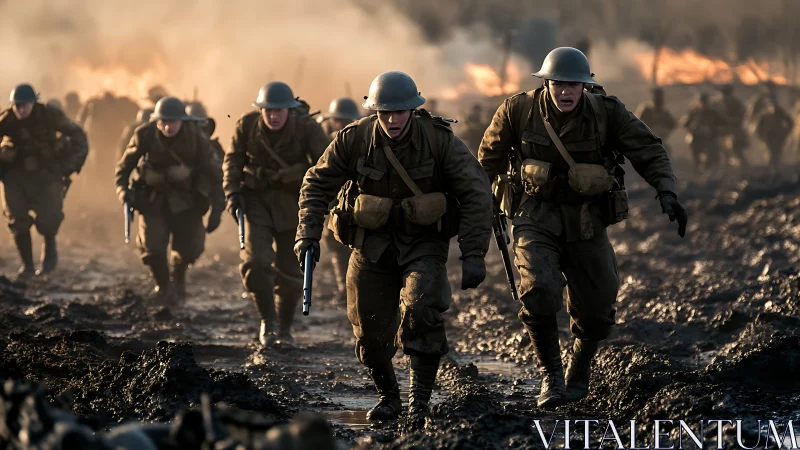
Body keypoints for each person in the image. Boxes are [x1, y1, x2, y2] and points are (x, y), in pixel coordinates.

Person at [478, 47, 687, 408]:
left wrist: (666, 192)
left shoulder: (607, 113)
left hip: (587, 221)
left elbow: (648, 150)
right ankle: (551, 376)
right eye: (558, 83)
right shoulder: (518, 110)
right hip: (534, 217)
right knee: (539, 291)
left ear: (585, 86)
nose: (565, 91)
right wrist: (483, 207)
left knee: (598, 311)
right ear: (546, 83)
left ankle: (579, 370)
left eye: (573, 84)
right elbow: (486, 161)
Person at [294, 71, 492, 424]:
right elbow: (317, 183)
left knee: (421, 310)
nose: (392, 120)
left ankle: (418, 403)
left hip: (424, 244)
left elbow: (476, 191)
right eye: (385, 112)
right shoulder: (354, 139)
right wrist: (307, 233)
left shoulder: (439, 141)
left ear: (413, 110)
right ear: (375, 111)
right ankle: (389, 396)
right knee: (368, 334)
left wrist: (473, 251)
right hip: (370, 247)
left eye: (399, 112)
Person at [223, 82, 330, 347]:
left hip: (294, 204)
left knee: (292, 270)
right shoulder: (247, 126)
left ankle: (284, 329)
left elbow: (327, 165)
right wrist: (232, 193)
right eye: (268, 110)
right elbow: (233, 161)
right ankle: (268, 322)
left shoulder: (307, 128)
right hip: (256, 202)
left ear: (290, 110)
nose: (273, 116)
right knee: (256, 262)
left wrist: (321, 200)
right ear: (261, 110)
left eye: (279, 110)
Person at [115, 97, 224, 303]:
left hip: (187, 201)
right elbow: (124, 167)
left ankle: (178, 276)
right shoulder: (145, 135)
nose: (168, 126)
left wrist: (218, 209)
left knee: (190, 248)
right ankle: (163, 286)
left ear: (182, 120)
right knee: (152, 246)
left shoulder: (196, 137)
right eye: (163, 121)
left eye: (173, 121)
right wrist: (123, 191)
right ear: (156, 121)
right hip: (153, 201)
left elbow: (215, 174)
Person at [0, 84, 88, 279]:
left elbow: (79, 137)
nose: (21, 110)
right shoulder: (6, 120)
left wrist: (68, 166)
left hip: (47, 175)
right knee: (17, 220)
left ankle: (49, 255)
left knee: (49, 220)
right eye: (17, 106)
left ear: (34, 103)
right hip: (15, 177)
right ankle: (27, 266)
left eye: (25, 105)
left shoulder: (50, 116)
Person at [316, 97, 362, 302]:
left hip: (360, 201)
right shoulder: (324, 140)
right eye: (338, 121)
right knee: (334, 242)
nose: (341, 125)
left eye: (346, 121)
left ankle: (357, 288)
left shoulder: (364, 138)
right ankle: (344, 289)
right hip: (335, 201)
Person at [680, 92, 725, 169]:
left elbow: (721, 123)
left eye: (705, 101)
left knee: (711, 157)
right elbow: (685, 123)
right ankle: (697, 169)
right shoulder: (694, 111)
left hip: (709, 137)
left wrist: (713, 131)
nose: (703, 103)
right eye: (702, 101)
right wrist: (691, 129)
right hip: (696, 137)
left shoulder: (713, 112)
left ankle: (707, 169)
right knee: (696, 156)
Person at [713, 84, 749, 166]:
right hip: (723, 132)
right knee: (723, 152)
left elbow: (742, 116)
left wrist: (731, 120)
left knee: (737, 151)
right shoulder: (718, 103)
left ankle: (744, 168)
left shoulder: (736, 103)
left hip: (734, 131)